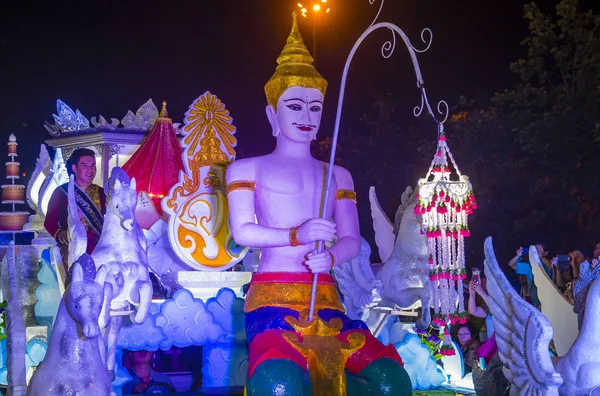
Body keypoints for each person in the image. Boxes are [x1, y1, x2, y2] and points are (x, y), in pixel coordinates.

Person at [225, 12, 411, 396]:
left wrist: (332, 258)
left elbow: (352, 241)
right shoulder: (247, 169)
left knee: (391, 381)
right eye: (294, 106)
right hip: (272, 300)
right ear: (271, 114)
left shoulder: (338, 176)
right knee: (280, 384)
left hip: (326, 300)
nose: (307, 116)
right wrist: (297, 235)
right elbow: (243, 232)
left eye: (315, 107)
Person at [44, 148, 106, 274]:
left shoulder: (102, 193)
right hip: (72, 245)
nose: (90, 170)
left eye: (93, 165)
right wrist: (60, 233)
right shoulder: (61, 192)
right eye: (85, 165)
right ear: (74, 168)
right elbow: (50, 221)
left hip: (98, 245)